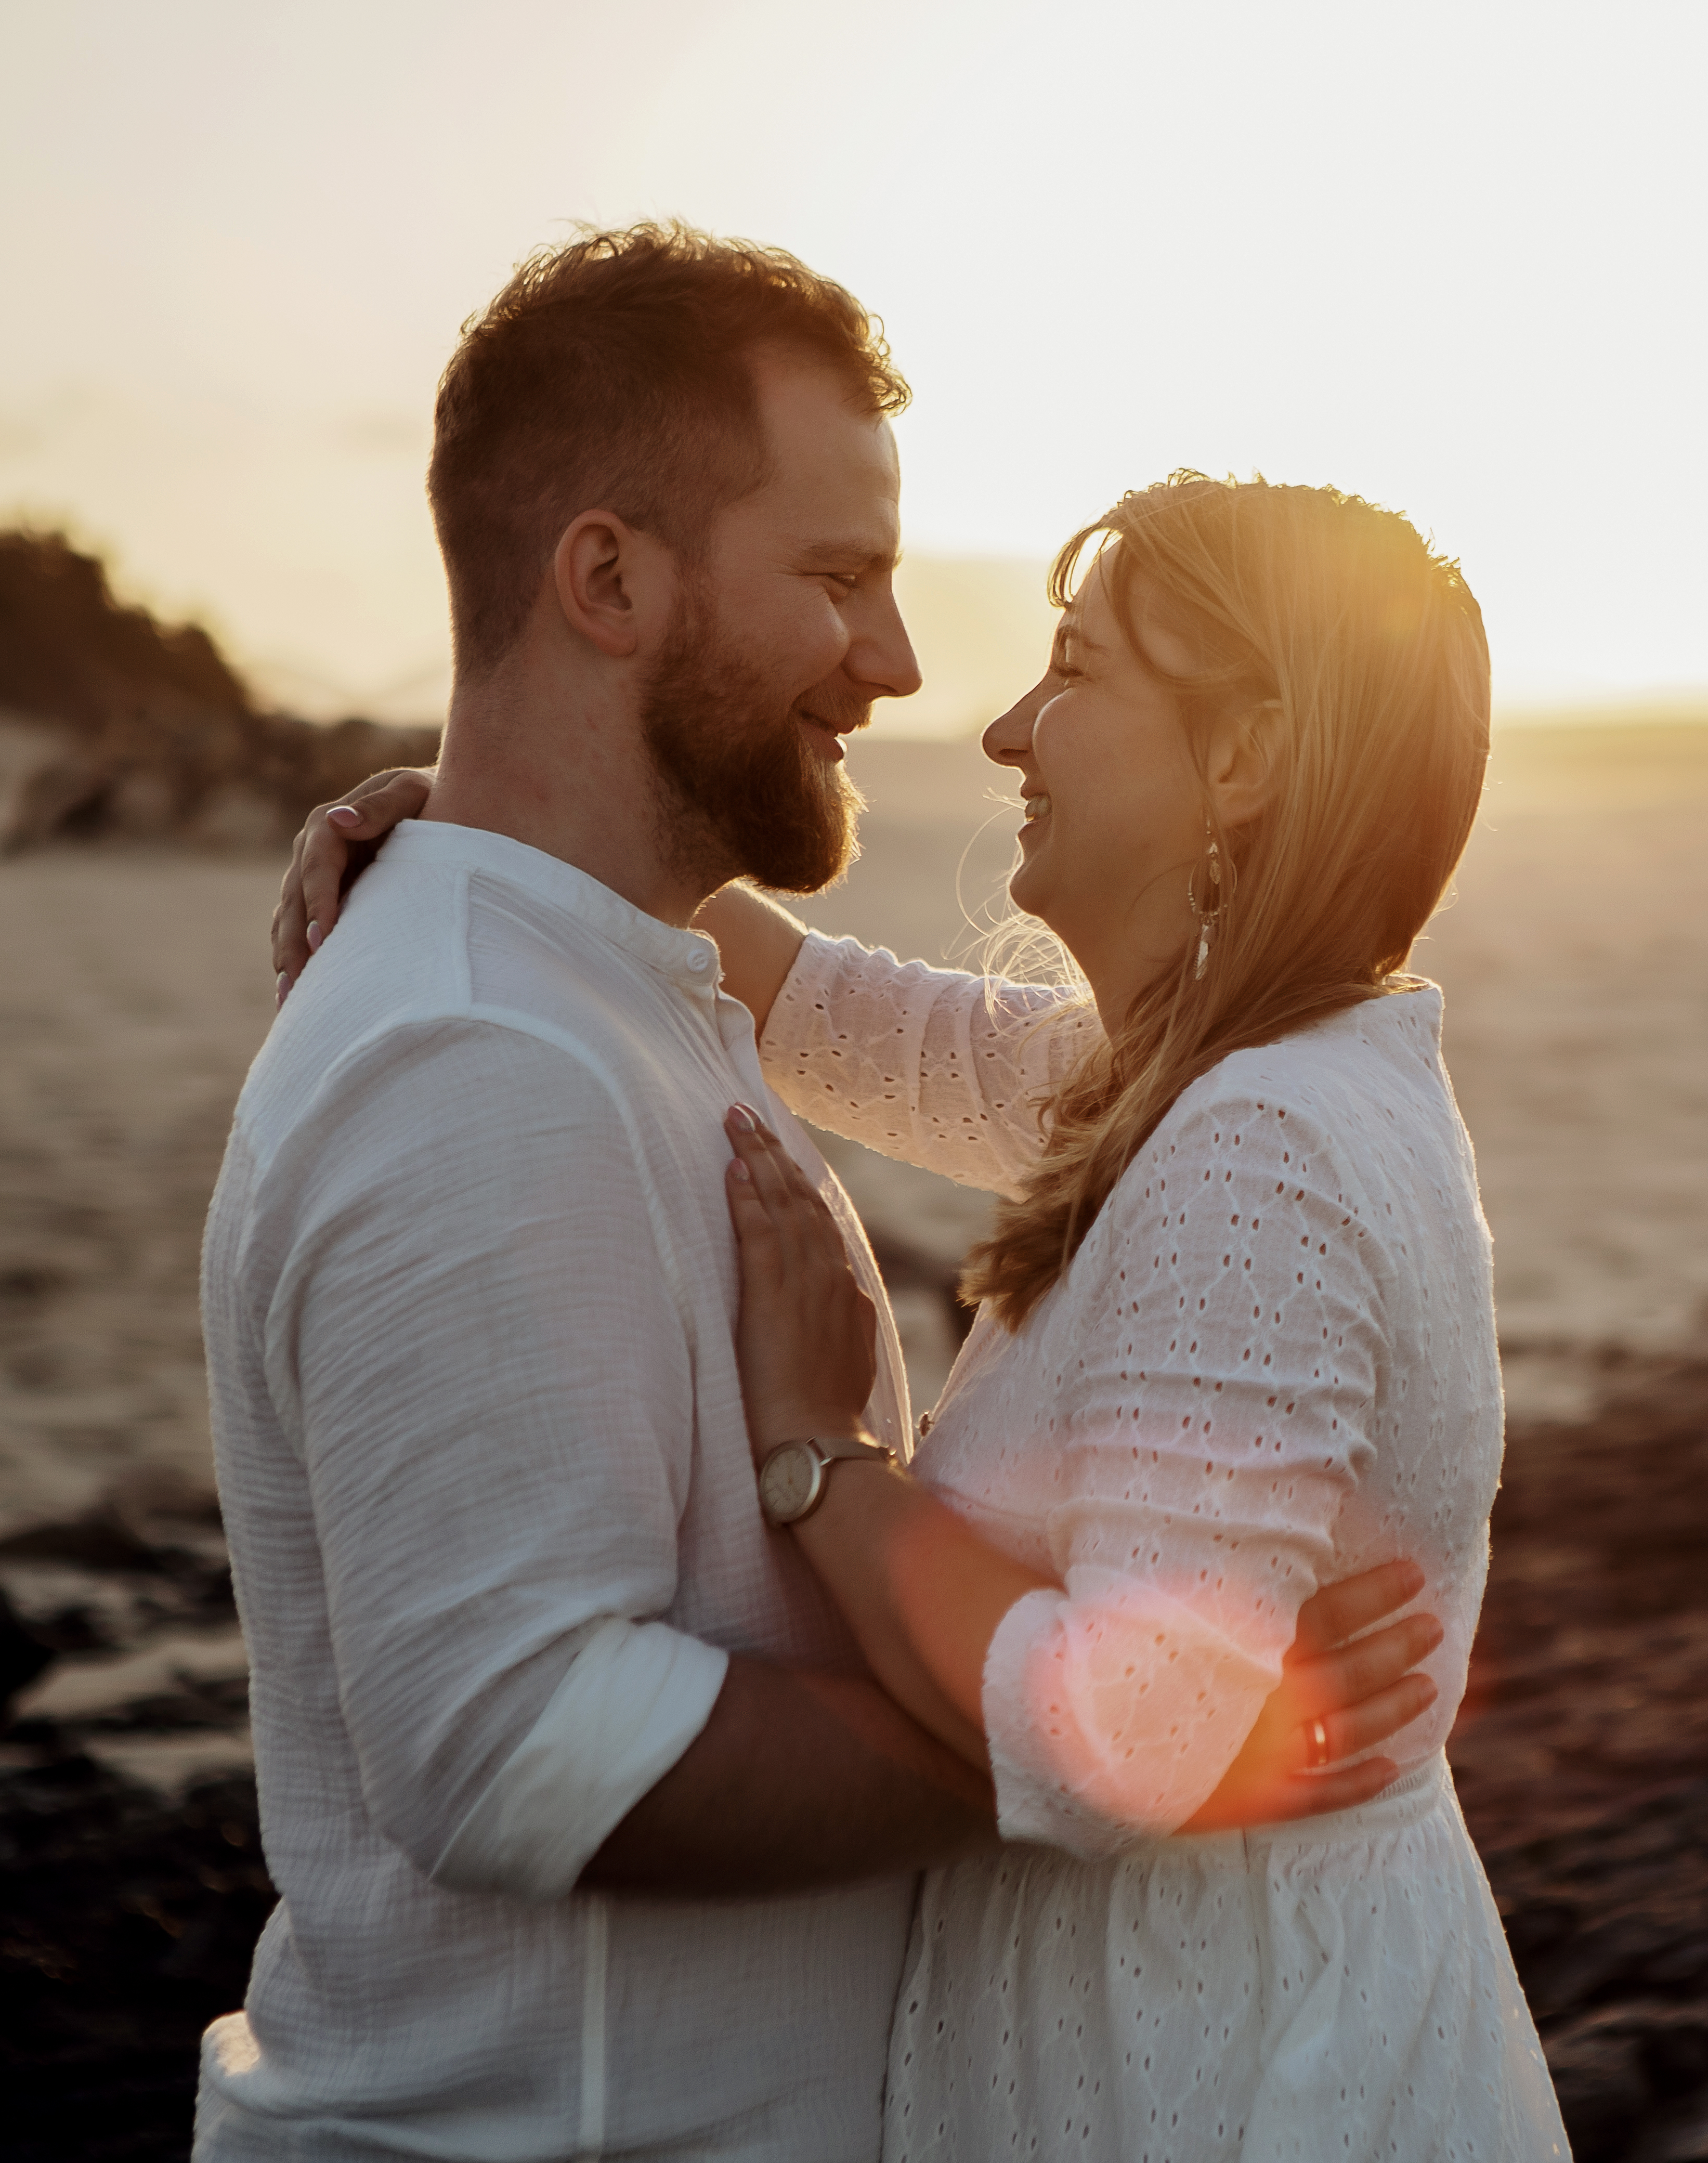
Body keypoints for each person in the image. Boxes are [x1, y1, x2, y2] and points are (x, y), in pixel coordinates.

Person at [207, 224, 1435, 2160]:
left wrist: (484, 816)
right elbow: (518, 1752)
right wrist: (1119, 1751)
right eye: (842, 577)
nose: (917, 670)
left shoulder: (1205, 1107)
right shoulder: (481, 1057)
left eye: (1069, 672)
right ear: (606, 579)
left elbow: (909, 1044)